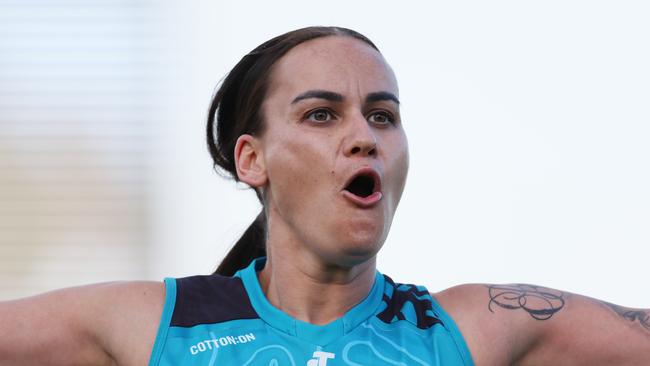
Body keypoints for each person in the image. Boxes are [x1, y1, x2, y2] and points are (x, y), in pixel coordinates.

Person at [0, 26, 648, 366]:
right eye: (321, 115)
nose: (365, 137)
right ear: (251, 160)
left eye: (384, 116)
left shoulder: (475, 328)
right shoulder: (157, 324)